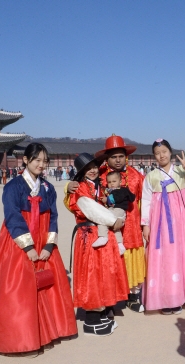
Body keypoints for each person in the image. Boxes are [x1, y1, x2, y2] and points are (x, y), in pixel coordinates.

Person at [0, 143, 77, 356]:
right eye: (37, 160)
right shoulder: (13, 186)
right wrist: (28, 247)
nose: (42, 165)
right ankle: (21, 341)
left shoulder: (48, 188)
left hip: (43, 239)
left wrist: (49, 245)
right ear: (25, 160)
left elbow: (53, 216)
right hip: (18, 240)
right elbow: (12, 215)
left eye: (45, 161)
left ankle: (47, 333)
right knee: (18, 290)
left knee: (47, 284)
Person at [66, 134, 146, 312]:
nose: (117, 160)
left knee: (132, 258)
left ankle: (133, 296)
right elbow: (81, 193)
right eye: (113, 157)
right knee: (110, 263)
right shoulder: (98, 174)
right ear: (107, 159)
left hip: (131, 225)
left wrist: (146, 224)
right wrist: (68, 186)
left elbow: (147, 201)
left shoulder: (137, 176)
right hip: (107, 228)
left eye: (120, 156)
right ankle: (111, 299)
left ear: (126, 156)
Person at [68, 152, 129, 336]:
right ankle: (91, 319)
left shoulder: (100, 186)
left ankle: (102, 311)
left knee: (103, 273)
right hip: (89, 234)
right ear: (80, 172)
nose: (93, 170)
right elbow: (90, 208)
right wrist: (113, 221)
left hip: (101, 233)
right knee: (91, 274)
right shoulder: (79, 188)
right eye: (88, 168)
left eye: (94, 167)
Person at [141, 139, 185, 315]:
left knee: (180, 257)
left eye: (165, 151)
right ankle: (164, 299)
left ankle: (180, 296)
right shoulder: (151, 176)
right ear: (154, 156)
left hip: (179, 222)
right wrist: (145, 224)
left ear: (170, 152)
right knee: (162, 259)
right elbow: (145, 201)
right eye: (158, 153)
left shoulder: (181, 171)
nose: (162, 155)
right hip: (159, 224)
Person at [95, 171, 135, 249]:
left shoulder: (120, 190)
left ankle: (103, 236)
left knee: (103, 220)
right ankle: (120, 244)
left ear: (120, 181)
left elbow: (117, 198)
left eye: (114, 181)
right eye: (109, 182)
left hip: (117, 210)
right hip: (119, 212)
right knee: (116, 228)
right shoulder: (118, 190)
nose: (112, 184)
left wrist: (107, 199)